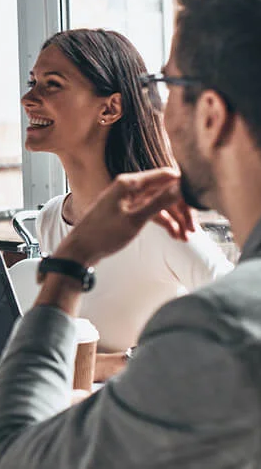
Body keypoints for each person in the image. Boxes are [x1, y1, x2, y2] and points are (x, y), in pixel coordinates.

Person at [0, 0, 261, 467]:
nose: (158, 107)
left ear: (210, 114)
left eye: (167, 84)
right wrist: (93, 406)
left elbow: (8, 457)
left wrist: (70, 266)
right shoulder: (55, 215)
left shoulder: (217, 324)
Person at [21, 28, 231, 378]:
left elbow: (245, 321)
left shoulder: (156, 223)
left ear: (110, 108)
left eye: (52, 84)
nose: (29, 98)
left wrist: (111, 364)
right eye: (33, 82)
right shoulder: (51, 219)